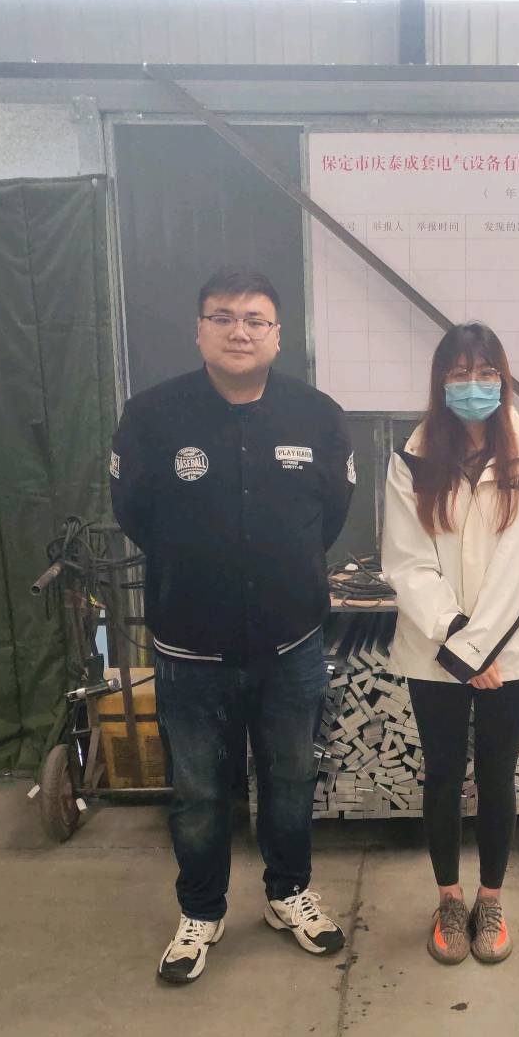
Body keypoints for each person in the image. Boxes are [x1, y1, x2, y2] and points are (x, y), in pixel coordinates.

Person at [111, 267, 355, 985]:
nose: (239, 331)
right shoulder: (151, 416)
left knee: (290, 777)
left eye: (255, 320)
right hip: (190, 646)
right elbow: (134, 514)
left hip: (290, 643)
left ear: (278, 336)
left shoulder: (317, 415)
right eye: (222, 317)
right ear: (199, 330)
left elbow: (330, 517)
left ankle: (287, 894)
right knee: (198, 791)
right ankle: (201, 910)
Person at [381, 322, 519, 966]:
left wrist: (481, 649)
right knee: (441, 772)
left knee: (496, 772)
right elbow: (407, 560)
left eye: (486, 373)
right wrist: (458, 642)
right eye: (460, 373)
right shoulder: (410, 460)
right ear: (440, 381)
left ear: (503, 380)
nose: (473, 385)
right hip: (436, 644)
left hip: (509, 647)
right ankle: (448, 899)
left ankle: (490, 899)